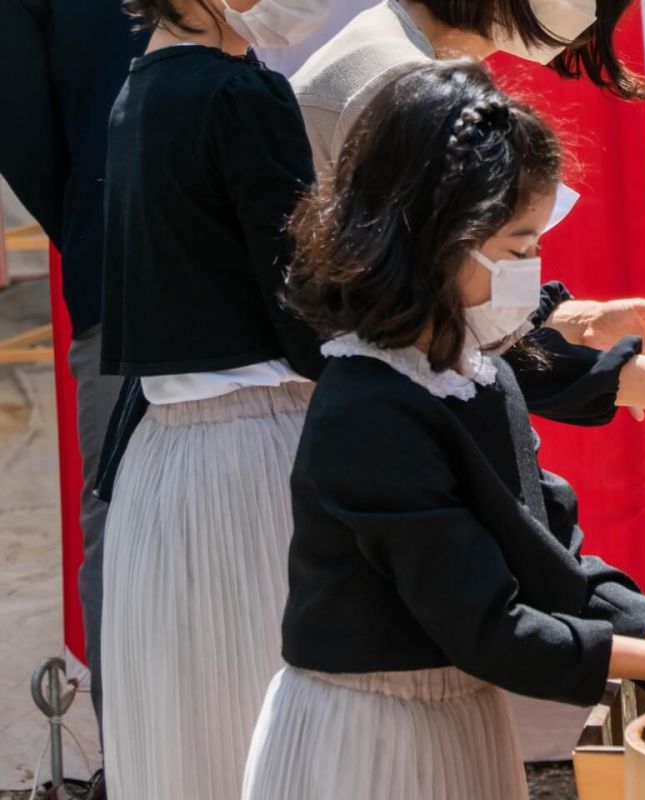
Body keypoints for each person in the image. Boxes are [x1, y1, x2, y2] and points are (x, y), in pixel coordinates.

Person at [241, 60, 645, 800]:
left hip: (455, 716)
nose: (535, 273)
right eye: (517, 250)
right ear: (433, 240)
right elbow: (488, 625)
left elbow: (551, 560)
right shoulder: (367, 406)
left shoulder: (480, 374)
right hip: (368, 735)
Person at [288, 0, 645, 446]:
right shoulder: (398, 84)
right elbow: (429, 330)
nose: (588, 13)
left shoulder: (401, 55)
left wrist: (570, 321)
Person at [97, 1, 331, 797]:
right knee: (277, 740)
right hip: (258, 452)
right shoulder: (239, 96)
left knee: (191, 742)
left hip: (163, 467)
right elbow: (308, 312)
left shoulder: (138, 92)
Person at [0, 2, 149, 757]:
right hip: (122, 281)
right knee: (121, 523)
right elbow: (24, 134)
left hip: (130, 260)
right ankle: (135, 759)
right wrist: (99, 217)